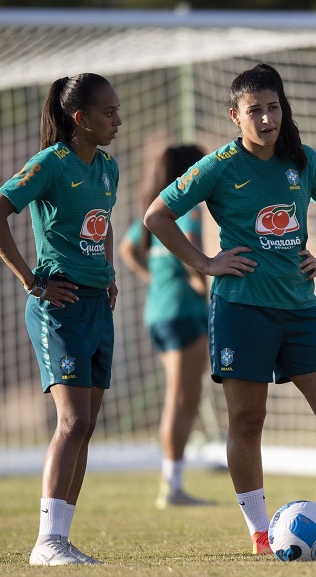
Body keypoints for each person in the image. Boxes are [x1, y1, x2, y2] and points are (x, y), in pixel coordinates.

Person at [143, 63, 316, 554]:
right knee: (247, 421)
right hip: (242, 310)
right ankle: (261, 534)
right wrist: (204, 262)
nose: (266, 118)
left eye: (273, 107)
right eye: (254, 110)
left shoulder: (302, 160)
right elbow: (156, 215)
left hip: (301, 309)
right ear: (234, 116)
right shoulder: (219, 165)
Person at [0, 73, 121, 565]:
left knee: (87, 425)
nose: (117, 121)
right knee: (73, 419)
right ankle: (46, 543)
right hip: (57, 307)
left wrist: (108, 272)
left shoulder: (107, 168)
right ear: (79, 119)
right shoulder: (50, 163)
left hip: (97, 306)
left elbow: (100, 225)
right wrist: (31, 280)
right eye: (108, 112)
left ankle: (61, 538)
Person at [119, 144, 213, 508]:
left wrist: (154, 278)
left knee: (183, 396)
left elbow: (128, 248)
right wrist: (199, 276)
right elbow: (191, 243)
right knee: (181, 398)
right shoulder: (186, 210)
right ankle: (171, 485)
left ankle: (174, 482)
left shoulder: (154, 211)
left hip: (157, 312)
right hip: (183, 313)